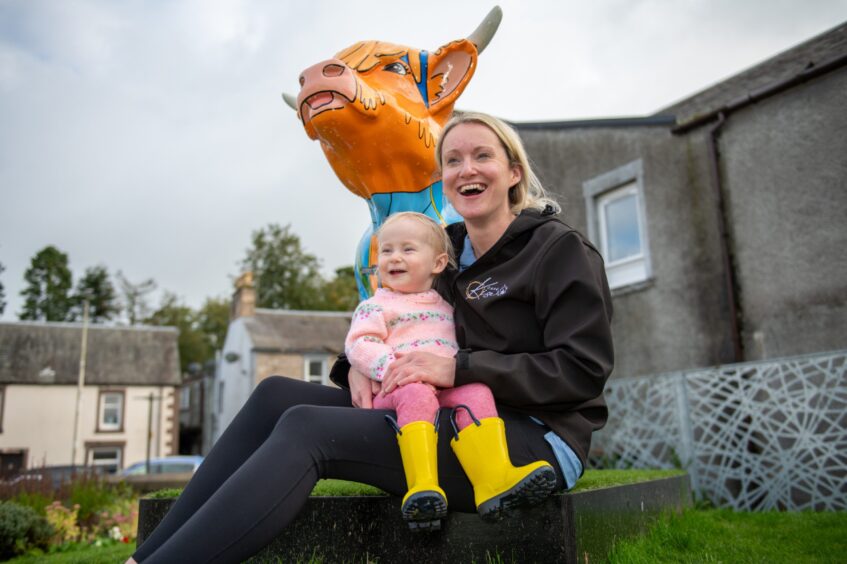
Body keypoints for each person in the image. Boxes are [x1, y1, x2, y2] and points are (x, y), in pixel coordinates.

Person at [128, 112, 613, 563]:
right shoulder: (446, 253)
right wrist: (356, 365)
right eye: (452, 160)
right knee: (276, 394)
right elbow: (399, 315)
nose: (468, 169)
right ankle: (143, 554)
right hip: (437, 406)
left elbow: (582, 370)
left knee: (307, 428)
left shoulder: (557, 249)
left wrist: (458, 368)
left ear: (513, 173)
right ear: (443, 178)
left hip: (528, 442)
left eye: (482, 155)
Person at [346, 211, 555, 529]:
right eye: (386, 250)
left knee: (476, 391)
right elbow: (361, 344)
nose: (394, 258)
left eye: (408, 249)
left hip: (442, 387)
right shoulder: (376, 305)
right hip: (398, 390)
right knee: (416, 393)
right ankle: (422, 485)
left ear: (438, 263)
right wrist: (393, 369)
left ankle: (493, 479)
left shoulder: (446, 306)